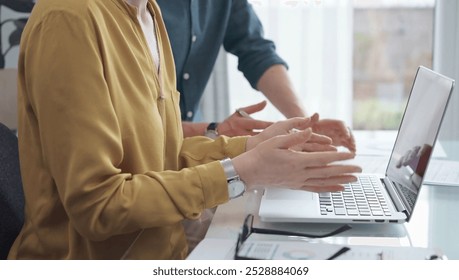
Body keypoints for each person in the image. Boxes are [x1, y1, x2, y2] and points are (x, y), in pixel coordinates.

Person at [8, 0, 361, 260]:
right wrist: (243, 171)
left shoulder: (146, 13)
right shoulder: (69, 19)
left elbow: (162, 156)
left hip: (167, 249)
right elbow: (98, 207)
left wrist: (250, 147)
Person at [157, 0, 356, 153]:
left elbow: (255, 51)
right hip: (142, 157)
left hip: (193, 149)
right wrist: (214, 131)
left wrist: (303, 124)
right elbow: (131, 122)